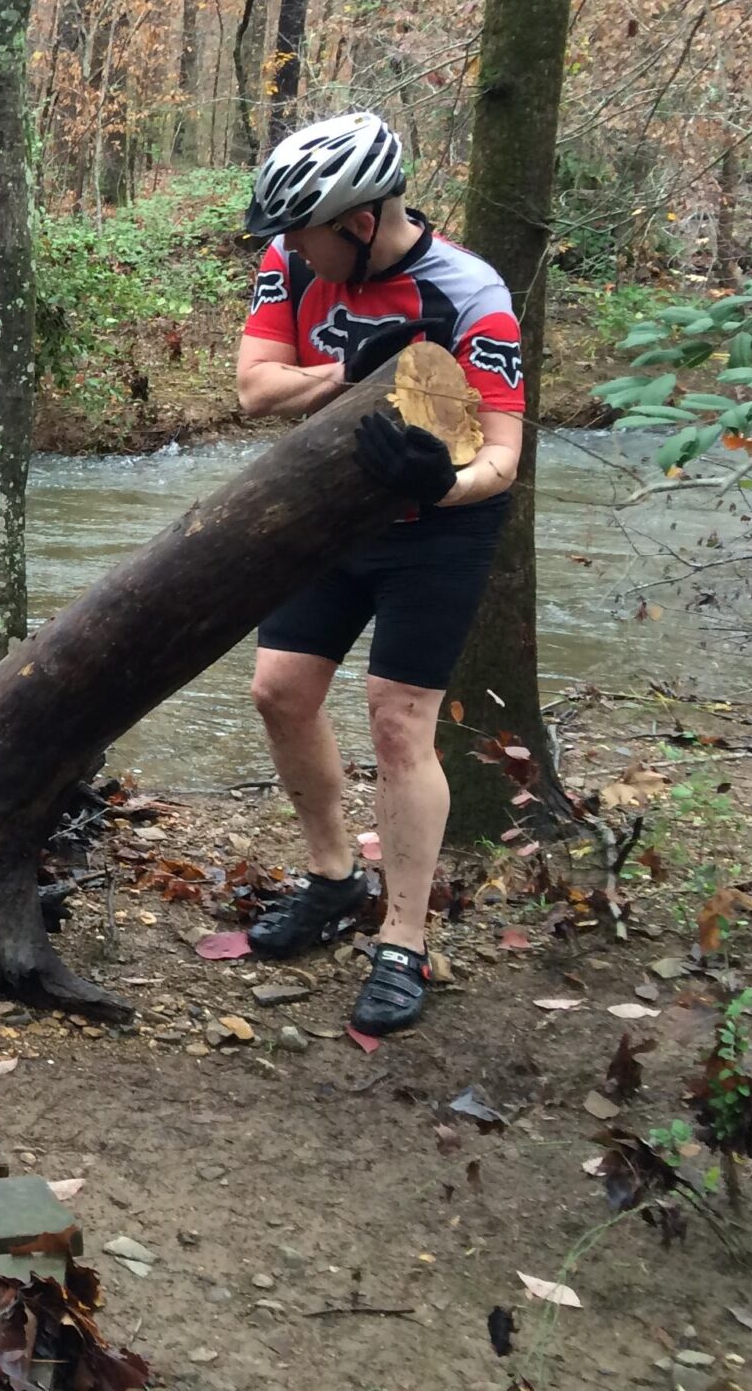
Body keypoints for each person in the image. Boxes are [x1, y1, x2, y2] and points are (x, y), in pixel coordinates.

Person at [235, 111, 527, 1036]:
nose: (288, 249)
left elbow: (503, 458)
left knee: (400, 724)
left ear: (359, 226)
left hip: (440, 529)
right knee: (279, 690)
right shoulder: (292, 264)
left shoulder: (469, 294)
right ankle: (332, 878)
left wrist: (441, 479)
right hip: (330, 509)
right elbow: (254, 388)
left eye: (307, 233)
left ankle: (403, 939)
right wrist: (345, 375)